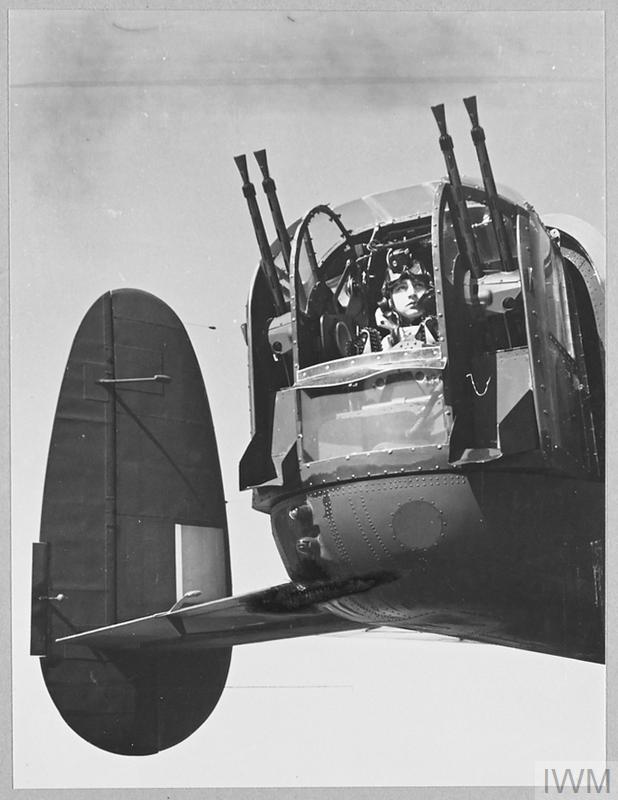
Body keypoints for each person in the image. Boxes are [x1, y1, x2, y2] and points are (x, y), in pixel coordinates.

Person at [376, 247, 438, 350]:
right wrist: (394, 331)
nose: (412, 293)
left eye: (418, 285)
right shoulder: (387, 344)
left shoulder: (444, 334)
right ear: (389, 300)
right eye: (401, 288)